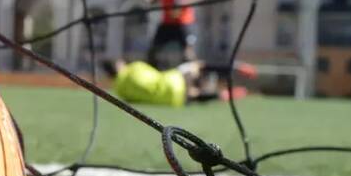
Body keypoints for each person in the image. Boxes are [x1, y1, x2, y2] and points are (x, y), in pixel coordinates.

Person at [102, 58, 255, 108]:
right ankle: (236, 67)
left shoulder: (120, 91)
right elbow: (154, 73)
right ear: (118, 65)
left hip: (173, 101)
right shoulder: (134, 66)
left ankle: (223, 95)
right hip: (175, 79)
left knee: (194, 96)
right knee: (198, 65)